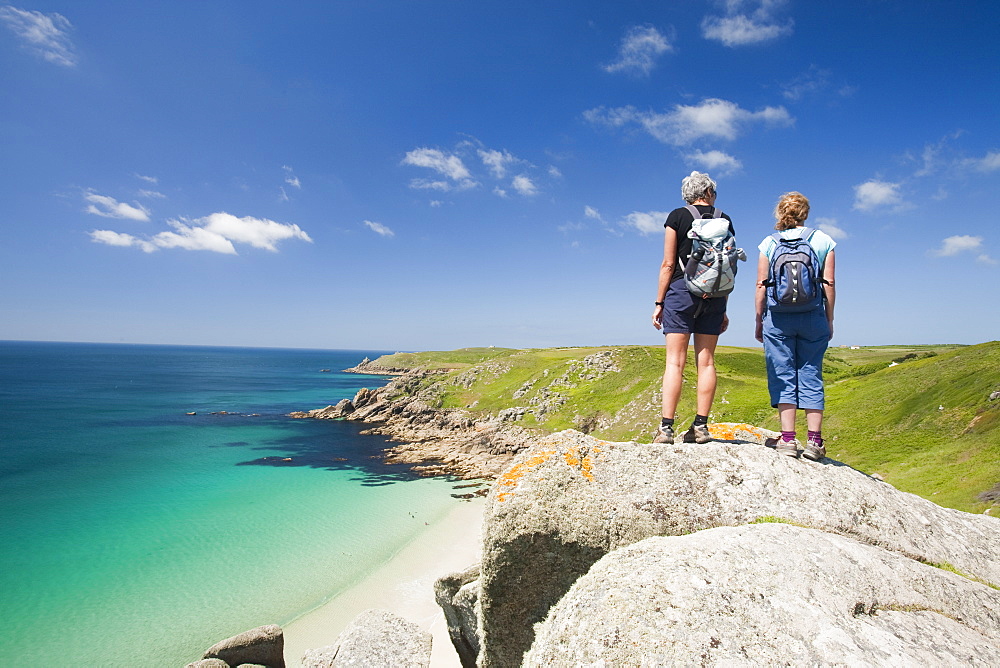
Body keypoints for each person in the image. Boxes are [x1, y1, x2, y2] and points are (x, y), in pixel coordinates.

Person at [651, 171, 733, 444]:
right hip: (715, 296)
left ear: (688, 194)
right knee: (706, 361)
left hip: (681, 293)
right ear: (708, 192)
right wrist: (723, 306)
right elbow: (728, 267)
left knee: (675, 362)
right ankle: (700, 427)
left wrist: (659, 302)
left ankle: (666, 428)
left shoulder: (677, 216)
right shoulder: (725, 219)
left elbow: (668, 264)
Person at [754, 192, 837, 460]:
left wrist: (759, 318)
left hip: (777, 318)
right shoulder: (823, 240)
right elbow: (829, 284)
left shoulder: (769, 242)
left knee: (783, 374)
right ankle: (814, 442)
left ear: (780, 213)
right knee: (811, 372)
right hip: (813, 315)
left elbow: (760, 285)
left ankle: (788, 440)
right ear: (806, 213)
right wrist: (829, 317)